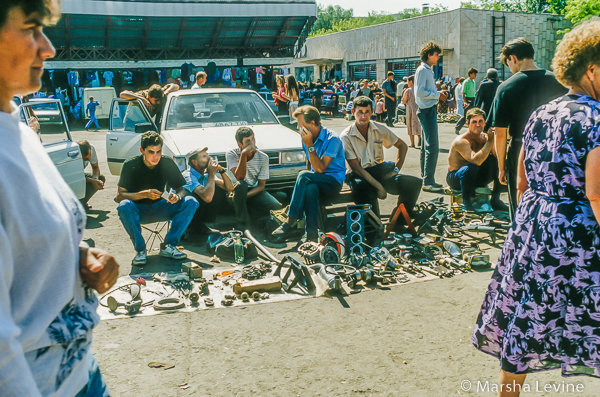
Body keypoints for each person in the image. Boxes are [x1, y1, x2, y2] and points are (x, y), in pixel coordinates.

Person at [472, 19, 600, 395]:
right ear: (592, 69)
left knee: (523, 325)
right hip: (580, 237)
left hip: (534, 229)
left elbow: (524, 179)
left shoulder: (542, 114)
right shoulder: (598, 119)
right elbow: (595, 193)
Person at [0, 1, 119, 395]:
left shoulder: (16, 128)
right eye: (32, 28)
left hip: (80, 374)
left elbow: (21, 237)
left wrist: (75, 253)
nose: (47, 47)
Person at [488, 37, 568, 220]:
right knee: (553, 203)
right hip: (555, 148)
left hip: (519, 150)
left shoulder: (506, 87)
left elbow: (500, 132)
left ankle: (520, 243)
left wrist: (501, 166)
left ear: (513, 58)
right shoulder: (558, 82)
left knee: (520, 205)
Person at [116, 131, 199, 265]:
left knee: (191, 201)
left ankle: (169, 245)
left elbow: (181, 190)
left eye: (158, 152)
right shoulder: (130, 165)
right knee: (124, 205)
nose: (155, 156)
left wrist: (176, 196)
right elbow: (120, 196)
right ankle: (140, 250)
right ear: (142, 150)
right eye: (151, 152)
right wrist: (143, 194)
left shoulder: (166, 162)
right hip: (138, 210)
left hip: (162, 206)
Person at [271, 106, 346, 242]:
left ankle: (290, 221)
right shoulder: (306, 138)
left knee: (303, 175)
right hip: (316, 181)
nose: (298, 127)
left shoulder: (332, 139)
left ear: (312, 122)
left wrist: (310, 145)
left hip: (333, 183)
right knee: (310, 187)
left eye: (301, 123)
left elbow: (319, 169)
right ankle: (311, 235)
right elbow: (309, 164)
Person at [342, 96, 422, 221]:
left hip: (379, 170)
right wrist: (379, 187)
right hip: (359, 174)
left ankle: (397, 222)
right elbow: (356, 168)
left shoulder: (379, 128)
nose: (363, 116)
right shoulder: (346, 136)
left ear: (372, 111)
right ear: (353, 112)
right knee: (362, 188)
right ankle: (374, 230)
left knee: (414, 183)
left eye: (366, 112)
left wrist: (396, 169)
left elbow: (402, 146)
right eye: (359, 112)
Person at [447, 108, 507, 211]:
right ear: (467, 123)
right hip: (456, 177)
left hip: (474, 177)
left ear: (484, 123)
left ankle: (495, 199)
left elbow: (498, 155)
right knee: (471, 167)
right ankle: (467, 202)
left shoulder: (485, 137)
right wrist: (490, 141)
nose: (478, 124)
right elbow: (476, 160)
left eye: (480, 121)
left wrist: (498, 136)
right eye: (474, 122)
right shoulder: (461, 141)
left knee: (498, 162)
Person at [226, 127, 283, 229]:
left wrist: (245, 196)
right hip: (235, 190)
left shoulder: (263, 157)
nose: (252, 143)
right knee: (241, 185)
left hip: (252, 190)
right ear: (240, 144)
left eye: (253, 139)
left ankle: (253, 216)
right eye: (248, 141)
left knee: (276, 206)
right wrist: (243, 154)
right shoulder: (232, 154)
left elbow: (261, 186)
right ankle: (242, 221)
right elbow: (240, 177)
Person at [414, 41, 446, 192]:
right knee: (433, 146)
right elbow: (419, 93)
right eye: (436, 54)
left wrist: (436, 95)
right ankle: (428, 181)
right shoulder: (423, 70)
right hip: (426, 110)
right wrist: (437, 95)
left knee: (425, 147)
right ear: (429, 55)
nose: (438, 57)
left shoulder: (426, 70)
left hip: (427, 109)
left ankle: (426, 179)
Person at [183, 147, 235, 235]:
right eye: (204, 156)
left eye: (207, 155)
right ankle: (189, 229)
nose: (209, 158)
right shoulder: (188, 176)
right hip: (183, 215)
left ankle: (202, 225)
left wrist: (221, 171)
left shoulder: (206, 175)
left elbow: (230, 188)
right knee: (200, 195)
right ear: (194, 162)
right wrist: (211, 173)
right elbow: (207, 198)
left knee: (218, 191)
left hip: (195, 213)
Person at [77, 139, 105, 209]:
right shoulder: (73, 153)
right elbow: (74, 177)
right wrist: (92, 181)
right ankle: (77, 205)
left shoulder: (91, 149)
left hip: (80, 175)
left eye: (88, 156)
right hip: (71, 177)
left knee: (100, 178)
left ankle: (82, 203)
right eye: (84, 157)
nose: (87, 159)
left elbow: (95, 167)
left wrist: (95, 179)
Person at [454, 67, 478, 133]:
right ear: (470, 74)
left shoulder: (473, 82)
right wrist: (464, 101)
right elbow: (463, 92)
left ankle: (471, 129)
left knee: (472, 115)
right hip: (468, 99)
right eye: (474, 73)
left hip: (473, 98)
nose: (475, 75)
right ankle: (457, 127)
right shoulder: (466, 82)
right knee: (466, 115)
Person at [401, 75, 422, 148]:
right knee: (418, 124)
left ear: (411, 82)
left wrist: (403, 93)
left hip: (410, 109)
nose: (407, 83)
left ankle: (412, 143)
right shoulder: (419, 89)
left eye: (408, 81)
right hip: (418, 109)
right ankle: (419, 138)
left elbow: (404, 101)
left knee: (410, 125)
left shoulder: (408, 90)